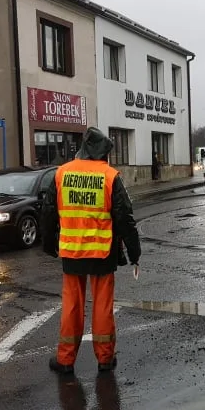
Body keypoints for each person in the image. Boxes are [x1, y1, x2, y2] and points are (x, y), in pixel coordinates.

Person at [42, 127, 141, 374]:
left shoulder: (61, 174)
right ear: (102, 153)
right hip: (102, 253)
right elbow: (124, 218)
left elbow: (47, 212)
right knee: (102, 306)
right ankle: (105, 359)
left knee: (72, 306)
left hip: (72, 252)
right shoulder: (109, 177)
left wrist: (48, 243)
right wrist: (134, 252)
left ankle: (65, 361)